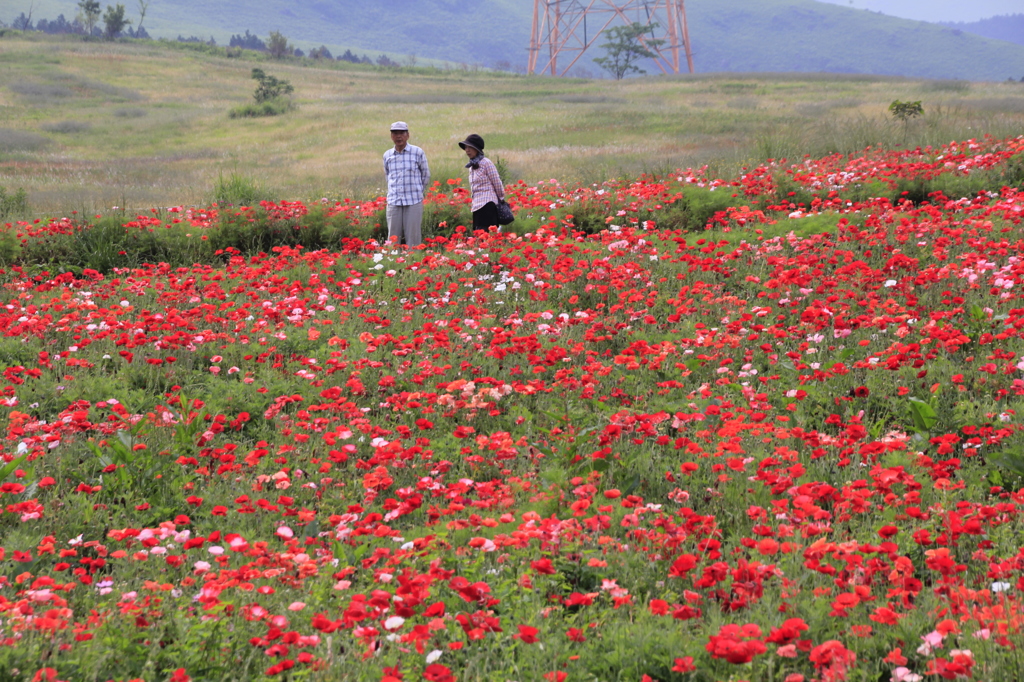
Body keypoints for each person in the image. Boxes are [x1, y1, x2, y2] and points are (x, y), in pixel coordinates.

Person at [383, 121, 430, 247]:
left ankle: (415, 264)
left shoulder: (417, 152)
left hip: (413, 200)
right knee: (392, 239)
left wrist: (418, 191)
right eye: (395, 133)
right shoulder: (387, 155)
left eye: (401, 133)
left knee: (413, 238)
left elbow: (425, 175)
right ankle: (393, 263)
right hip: (394, 201)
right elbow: (388, 176)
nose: (398, 136)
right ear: (391, 136)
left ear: (407, 135)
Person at [458, 134, 504, 231]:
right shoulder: (471, 166)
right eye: (466, 147)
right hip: (477, 206)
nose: (467, 150)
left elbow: (497, 183)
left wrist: (501, 200)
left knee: (488, 235)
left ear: (477, 149)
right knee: (479, 236)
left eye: (470, 147)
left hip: (488, 204)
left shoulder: (486, 163)